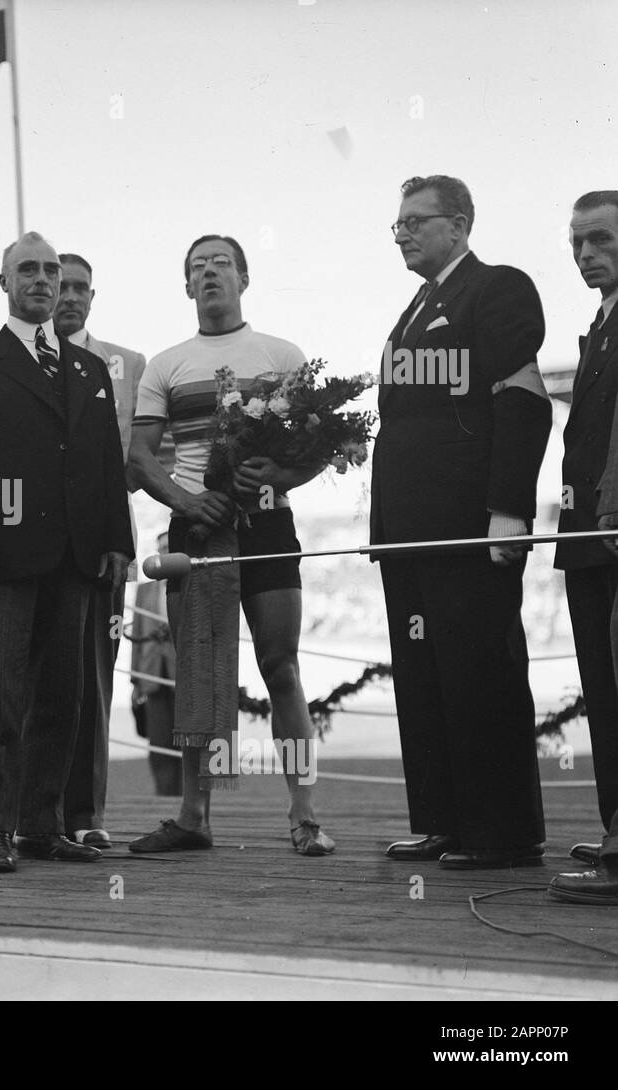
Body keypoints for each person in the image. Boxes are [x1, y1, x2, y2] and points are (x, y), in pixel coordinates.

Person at [127, 234, 334, 857]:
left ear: (245, 278)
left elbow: (317, 446)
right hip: (197, 530)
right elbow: (138, 455)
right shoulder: (165, 364)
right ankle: (194, 817)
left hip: (269, 525)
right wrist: (187, 502)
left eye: (221, 264)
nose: (210, 273)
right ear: (187, 287)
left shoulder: (282, 352)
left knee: (283, 668)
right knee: (200, 675)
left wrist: (278, 476)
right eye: (197, 267)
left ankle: (305, 815)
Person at [0, 231, 134, 873]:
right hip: (0, 556)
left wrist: (116, 545)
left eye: (51, 270)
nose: (43, 280)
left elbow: (107, 463)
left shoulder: (88, 370)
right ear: (4, 283)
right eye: (28, 270)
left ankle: (42, 827)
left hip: (76, 559)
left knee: (62, 694)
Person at [373, 175, 551, 869]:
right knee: (424, 675)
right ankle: (445, 818)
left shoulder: (495, 287)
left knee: (479, 673)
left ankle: (501, 833)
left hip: (467, 524)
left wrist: (508, 508)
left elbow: (523, 398)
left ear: (460, 224)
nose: (402, 233)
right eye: (397, 224)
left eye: (417, 221)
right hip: (412, 529)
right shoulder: (417, 306)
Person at [50, 252, 145, 847]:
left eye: (82, 287)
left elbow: (135, 459)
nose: (71, 296)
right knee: (34, 679)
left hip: (104, 542)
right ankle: (30, 816)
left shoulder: (128, 365)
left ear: (94, 296)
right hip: (30, 541)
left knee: (94, 680)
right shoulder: (8, 360)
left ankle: (84, 817)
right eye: (61, 285)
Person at [550, 191, 618, 904]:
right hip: (588, 535)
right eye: (576, 243)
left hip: (613, 527)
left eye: (598, 239)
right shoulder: (600, 324)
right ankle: (614, 830)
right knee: (602, 687)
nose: (584, 253)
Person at [131, 530, 181, 796]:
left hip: (182, 677)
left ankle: (186, 801)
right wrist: (135, 681)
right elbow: (137, 635)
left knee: (185, 744)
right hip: (151, 677)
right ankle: (164, 798)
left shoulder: (188, 584)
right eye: (160, 548)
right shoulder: (144, 589)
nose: (164, 553)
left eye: (169, 548)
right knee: (158, 745)